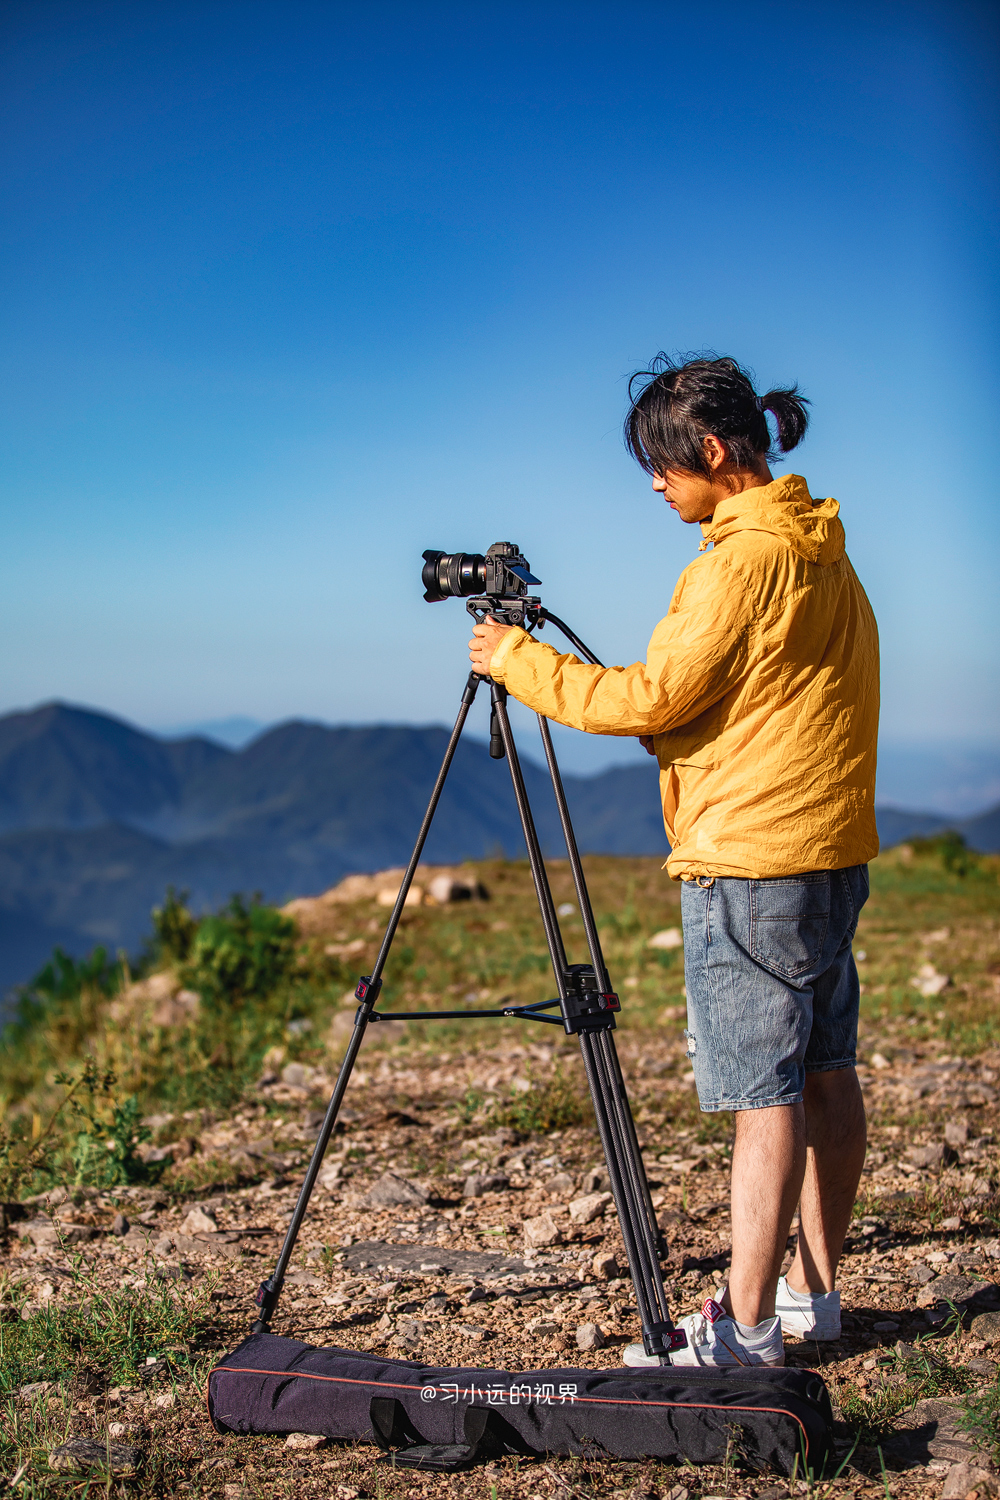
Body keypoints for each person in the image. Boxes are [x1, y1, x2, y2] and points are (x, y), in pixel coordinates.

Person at [468, 354, 879, 1368]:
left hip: (751, 857)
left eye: (662, 464)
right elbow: (761, 694)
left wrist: (515, 660)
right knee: (825, 1072)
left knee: (762, 1094)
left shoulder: (735, 564)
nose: (655, 484)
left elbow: (652, 696)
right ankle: (810, 1298)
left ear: (711, 450)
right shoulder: (821, 546)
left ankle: (743, 1331)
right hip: (829, 847)